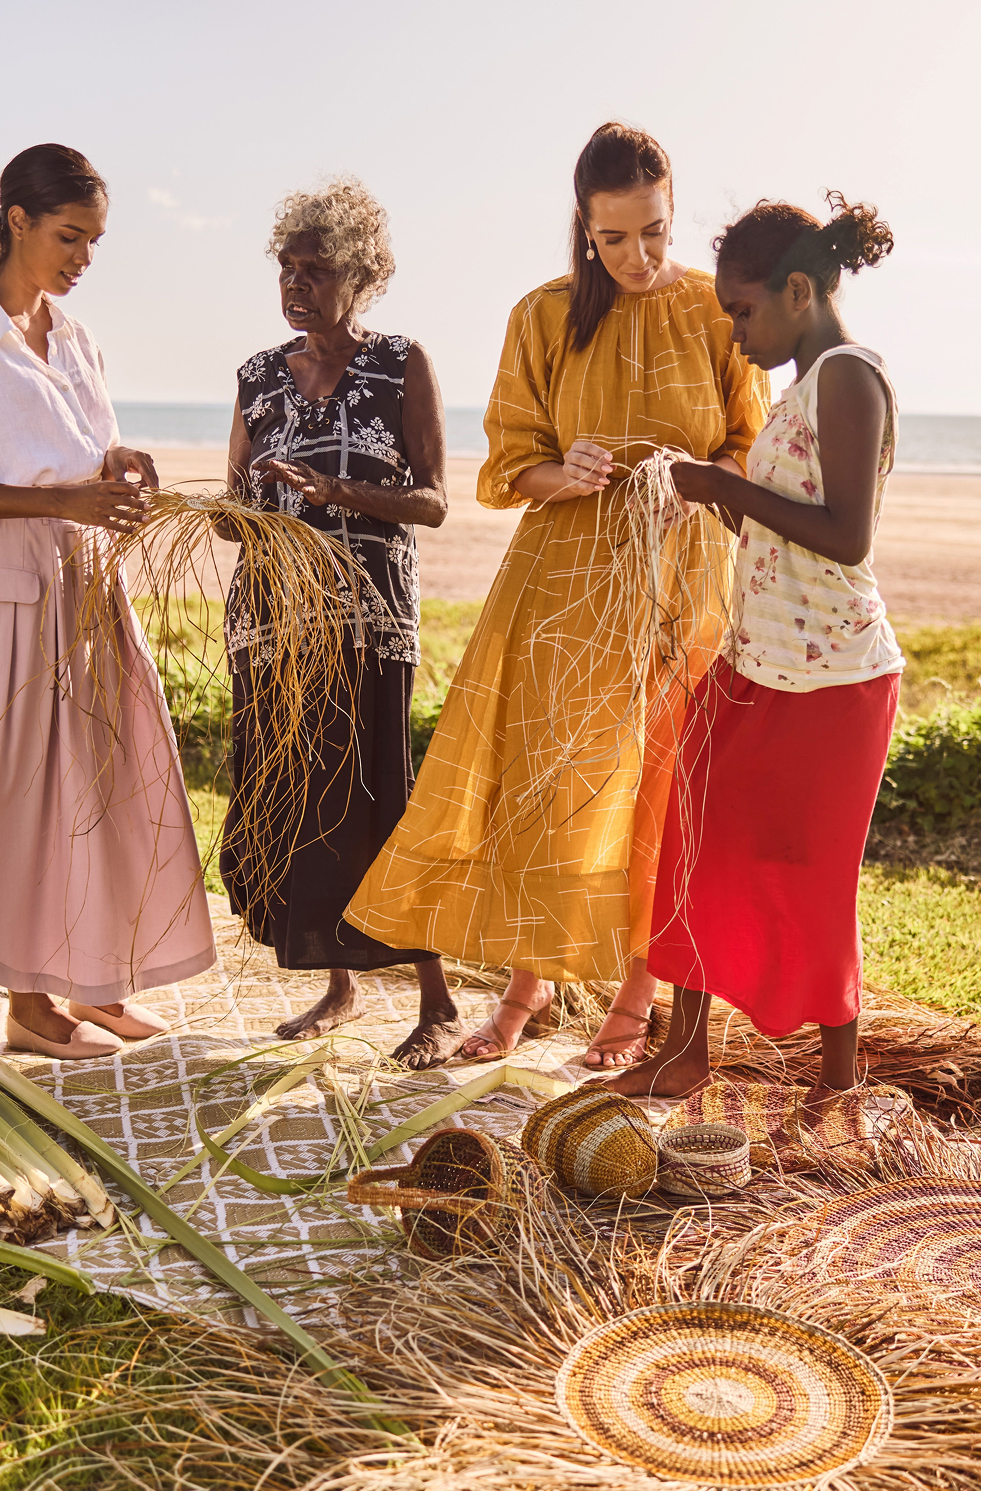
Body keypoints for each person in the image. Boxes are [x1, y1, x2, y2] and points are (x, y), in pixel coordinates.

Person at [347, 123, 768, 1064]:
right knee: (551, 791)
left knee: (660, 785)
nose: (637, 255)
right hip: (565, 585)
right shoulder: (542, 315)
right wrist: (562, 470)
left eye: (653, 231)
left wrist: (689, 485)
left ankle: (634, 999)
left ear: (672, 210)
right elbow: (507, 465)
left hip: (678, 574)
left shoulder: (713, 312)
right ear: (582, 227)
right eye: (612, 237)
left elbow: (748, 447)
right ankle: (523, 997)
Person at [596, 194, 902, 1100]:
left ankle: (836, 1083)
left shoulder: (848, 376)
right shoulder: (800, 387)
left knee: (809, 875)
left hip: (832, 681)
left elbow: (846, 536)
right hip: (751, 662)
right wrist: (718, 496)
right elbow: (785, 530)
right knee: (694, 845)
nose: (735, 333)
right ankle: (684, 1050)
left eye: (743, 310)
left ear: (798, 289)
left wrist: (717, 480)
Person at [221, 177, 459, 1065]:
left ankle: (435, 999)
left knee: (381, 799)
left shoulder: (401, 363)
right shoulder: (255, 376)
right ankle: (338, 983)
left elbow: (432, 500)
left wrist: (340, 492)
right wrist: (214, 513)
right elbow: (234, 501)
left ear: (359, 278)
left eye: (315, 270)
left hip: (367, 619)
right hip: (274, 625)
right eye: (287, 268)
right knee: (301, 806)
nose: (295, 284)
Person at [0, 143, 216, 1059]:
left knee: (107, 784)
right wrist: (62, 499)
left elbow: (93, 450)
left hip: (89, 589)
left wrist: (120, 468)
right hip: (15, 594)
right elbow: (42, 482)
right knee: (23, 794)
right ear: (15, 219)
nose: (83, 258)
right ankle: (29, 1001)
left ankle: (91, 978)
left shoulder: (76, 337)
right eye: (69, 236)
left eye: (94, 241)